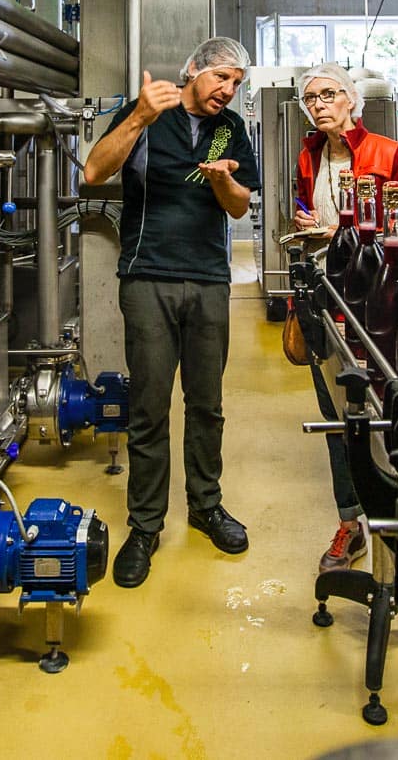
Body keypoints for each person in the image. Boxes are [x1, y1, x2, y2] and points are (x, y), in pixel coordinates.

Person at [83, 37, 260, 589]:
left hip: (208, 279)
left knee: (207, 404)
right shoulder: (147, 114)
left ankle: (206, 506)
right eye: (221, 77)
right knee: (149, 407)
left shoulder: (230, 128)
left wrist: (223, 181)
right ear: (193, 70)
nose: (228, 90)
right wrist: (138, 116)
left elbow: (239, 206)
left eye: (236, 83)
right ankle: (145, 526)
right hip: (148, 276)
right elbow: (93, 172)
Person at [293, 63, 398, 572]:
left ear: (351, 99)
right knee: (336, 415)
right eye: (311, 99)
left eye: (328, 94)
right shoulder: (309, 154)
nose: (319, 105)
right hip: (325, 296)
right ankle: (351, 521)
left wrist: (344, 234)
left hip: (379, 302)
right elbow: (305, 204)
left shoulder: (392, 154)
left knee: (391, 408)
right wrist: (306, 220)